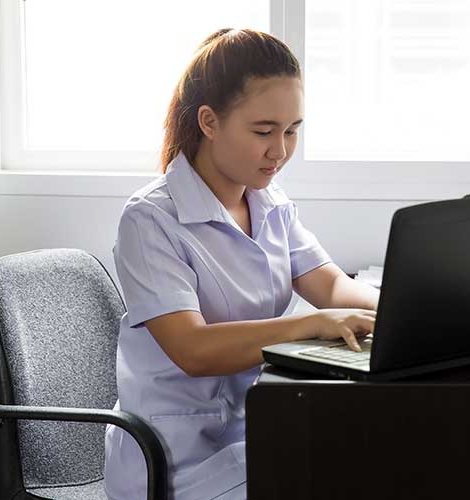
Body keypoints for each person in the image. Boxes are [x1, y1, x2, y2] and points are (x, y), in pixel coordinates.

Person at [103, 28, 380, 500]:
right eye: (263, 131)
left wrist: (408, 312)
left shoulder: (268, 201)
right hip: (178, 458)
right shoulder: (150, 220)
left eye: (292, 131)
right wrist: (315, 325)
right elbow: (194, 350)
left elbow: (330, 285)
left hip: (256, 430)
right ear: (209, 122)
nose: (281, 150)